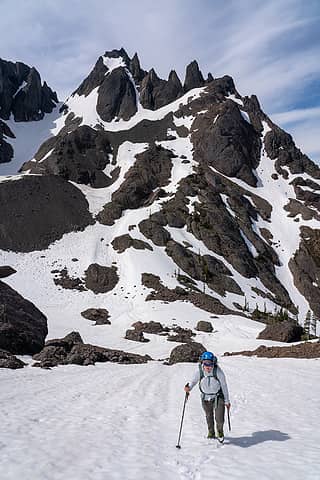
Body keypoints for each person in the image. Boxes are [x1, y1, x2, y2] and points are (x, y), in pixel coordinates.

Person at [184, 351, 231, 442]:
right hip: (205, 398)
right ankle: (211, 432)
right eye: (206, 363)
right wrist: (188, 387)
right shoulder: (200, 371)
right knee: (209, 416)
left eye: (210, 363)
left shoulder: (218, 372)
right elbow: (193, 381)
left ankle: (220, 431)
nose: (208, 366)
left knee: (219, 418)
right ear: (202, 363)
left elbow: (224, 386)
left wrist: (227, 401)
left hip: (218, 397)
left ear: (213, 362)